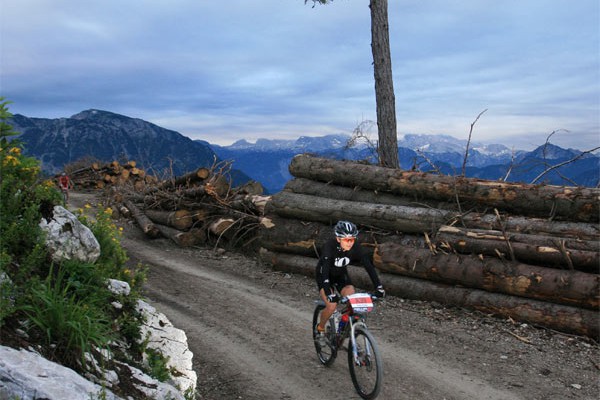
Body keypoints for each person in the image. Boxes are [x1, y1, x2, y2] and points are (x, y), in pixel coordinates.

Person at [314, 220, 385, 346]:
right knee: (331, 305)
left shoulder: (355, 246)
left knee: (352, 302)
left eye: (352, 239)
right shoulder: (329, 247)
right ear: (338, 238)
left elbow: (368, 266)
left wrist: (378, 287)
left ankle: (343, 331)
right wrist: (328, 292)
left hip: (341, 276)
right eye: (347, 240)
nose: (350, 242)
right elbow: (324, 270)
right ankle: (320, 329)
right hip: (324, 277)